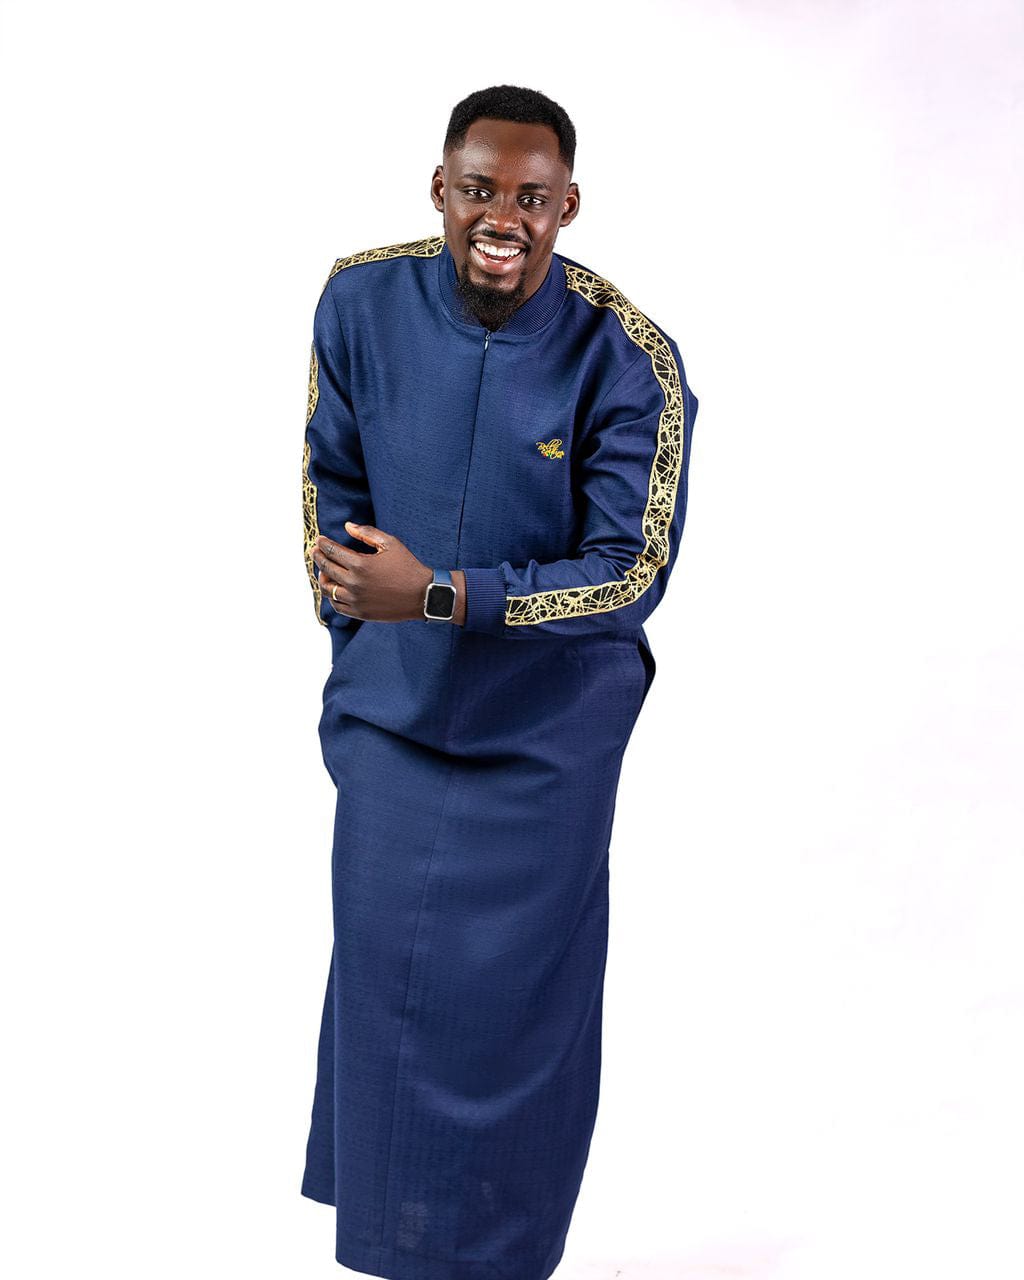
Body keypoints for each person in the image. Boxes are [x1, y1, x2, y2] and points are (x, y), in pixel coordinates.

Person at [299, 83, 699, 1280]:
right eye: (480, 189)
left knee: (514, 1020)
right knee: (385, 997)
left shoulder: (629, 357)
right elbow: (329, 485)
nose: (502, 218)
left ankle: (505, 1261)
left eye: (531, 197)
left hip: (544, 747)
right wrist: (365, 649)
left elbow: (627, 571)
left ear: (567, 206)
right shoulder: (359, 297)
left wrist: (437, 597)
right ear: (441, 188)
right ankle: (393, 1253)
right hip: (394, 723)